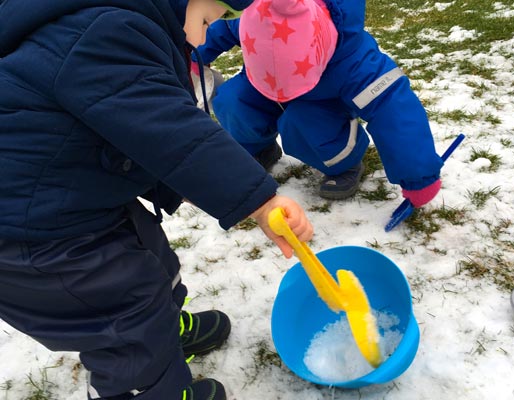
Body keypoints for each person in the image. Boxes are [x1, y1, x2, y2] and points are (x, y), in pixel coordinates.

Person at [0, 0, 313, 399]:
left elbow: (130, 125)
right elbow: (170, 130)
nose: (213, 27)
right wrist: (261, 202)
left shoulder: (116, 22)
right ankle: (150, 387)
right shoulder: (101, 32)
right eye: (220, 12)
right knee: (125, 318)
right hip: (29, 236)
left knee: (150, 259)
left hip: (69, 199)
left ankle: (166, 330)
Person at [193, 0, 445, 203]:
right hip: (263, 82)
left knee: (302, 121)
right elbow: (220, 28)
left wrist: (418, 176)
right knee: (233, 100)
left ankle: (344, 164)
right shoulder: (251, 10)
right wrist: (193, 54)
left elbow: (394, 107)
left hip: (320, 100)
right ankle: (260, 149)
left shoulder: (354, 60)